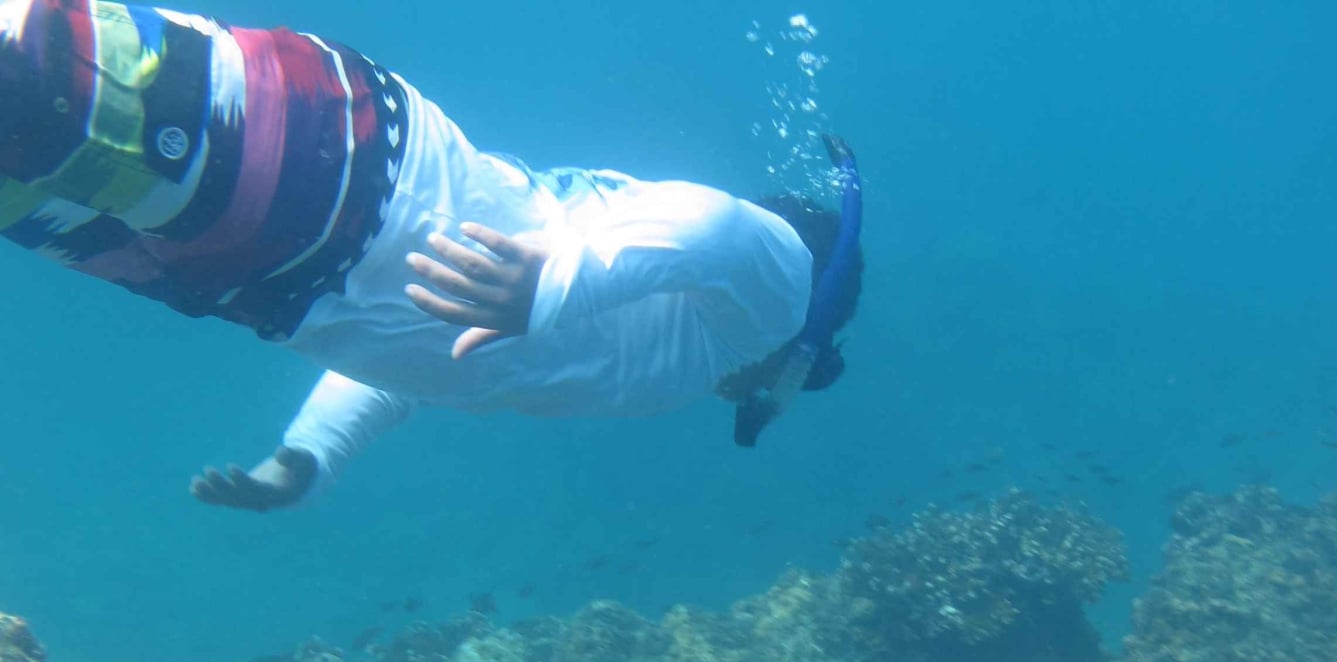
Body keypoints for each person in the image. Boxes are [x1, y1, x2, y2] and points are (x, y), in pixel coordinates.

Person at [0, 0, 864, 512]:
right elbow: (722, 226)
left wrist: (305, 459)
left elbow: (433, 368)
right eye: (808, 374)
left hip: (272, 273)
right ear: (806, 348)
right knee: (38, 67)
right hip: (348, 190)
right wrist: (552, 285)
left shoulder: (670, 346)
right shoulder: (778, 301)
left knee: (21, 142)